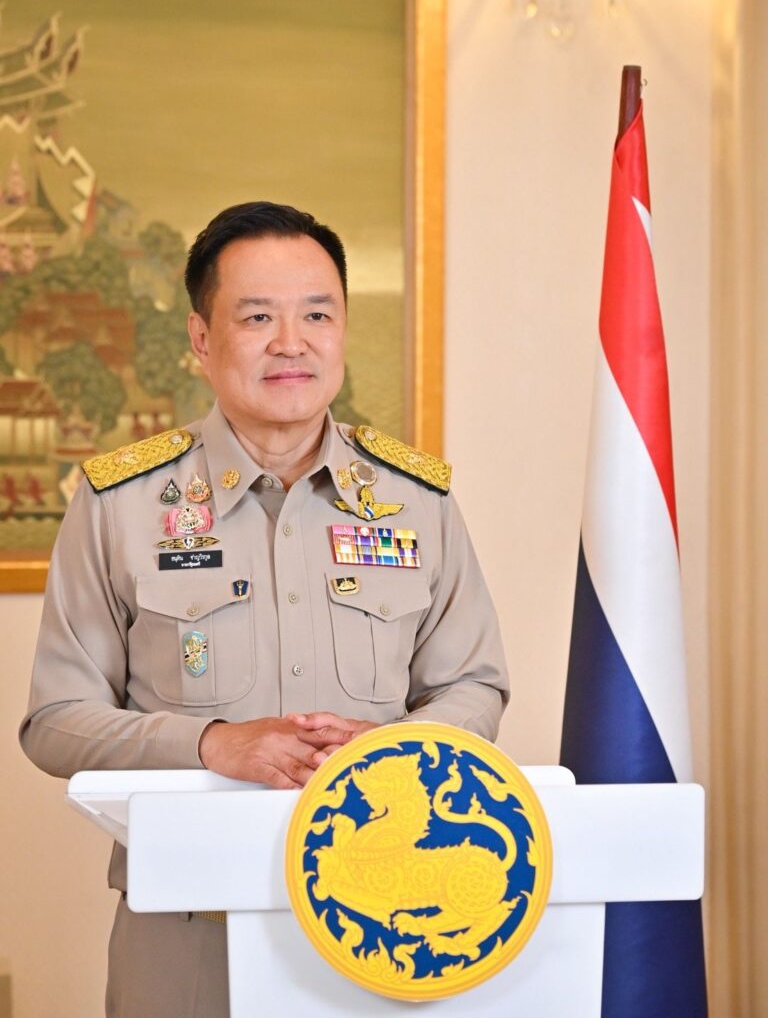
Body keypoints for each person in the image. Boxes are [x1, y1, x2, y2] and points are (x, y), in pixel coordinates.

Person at [19, 201, 509, 1017]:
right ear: (201, 338)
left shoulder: (416, 502)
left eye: (317, 314)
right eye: (257, 317)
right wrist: (212, 744)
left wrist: (393, 750)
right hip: (187, 926)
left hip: (386, 918)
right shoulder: (121, 504)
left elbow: (474, 685)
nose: (292, 342)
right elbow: (55, 723)